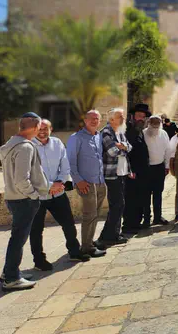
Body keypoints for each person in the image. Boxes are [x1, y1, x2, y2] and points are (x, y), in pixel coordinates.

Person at [0, 112, 50, 290]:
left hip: (14, 198)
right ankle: (11, 278)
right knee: (18, 239)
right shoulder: (25, 147)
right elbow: (22, 179)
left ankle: (9, 272)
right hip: (23, 200)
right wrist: (34, 195)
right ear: (35, 127)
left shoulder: (10, 144)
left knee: (17, 238)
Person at [31, 119, 89, 270]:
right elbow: (31, 173)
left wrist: (60, 183)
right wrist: (50, 186)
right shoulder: (28, 146)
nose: (42, 131)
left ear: (51, 129)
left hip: (58, 193)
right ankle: (39, 260)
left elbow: (65, 165)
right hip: (38, 196)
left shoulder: (57, 143)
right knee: (36, 230)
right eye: (40, 128)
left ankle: (74, 252)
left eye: (46, 128)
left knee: (69, 224)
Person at [66, 110, 107, 258]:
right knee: (89, 215)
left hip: (100, 182)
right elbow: (70, 161)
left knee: (95, 214)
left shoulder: (98, 136)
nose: (94, 121)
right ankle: (86, 247)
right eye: (91, 118)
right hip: (86, 183)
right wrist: (78, 180)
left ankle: (89, 243)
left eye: (97, 118)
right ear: (85, 120)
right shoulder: (76, 138)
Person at [98, 108, 132, 247]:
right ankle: (108, 236)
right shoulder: (106, 132)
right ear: (111, 119)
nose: (123, 118)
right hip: (112, 175)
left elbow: (130, 147)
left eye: (123, 116)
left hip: (122, 172)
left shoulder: (120, 132)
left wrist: (122, 146)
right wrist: (122, 148)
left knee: (119, 205)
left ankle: (114, 234)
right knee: (117, 204)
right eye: (120, 116)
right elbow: (112, 152)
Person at [123, 103, 150, 233]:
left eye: (143, 117)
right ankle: (128, 225)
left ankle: (136, 223)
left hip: (142, 173)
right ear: (133, 117)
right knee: (131, 199)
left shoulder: (140, 132)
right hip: (131, 173)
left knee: (140, 198)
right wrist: (129, 170)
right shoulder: (127, 131)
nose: (141, 119)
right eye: (139, 116)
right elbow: (125, 153)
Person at [143, 116, 170, 226]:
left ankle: (158, 217)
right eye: (153, 122)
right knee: (146, 194)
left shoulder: (163, 133)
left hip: (160, 167)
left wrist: (167, 166)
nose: (155, 124)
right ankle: (146, 218)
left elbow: (168, 150)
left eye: (157, 122)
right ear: (149, 123)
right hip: (147, 169)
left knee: (158, 193)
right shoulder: (143, 133)